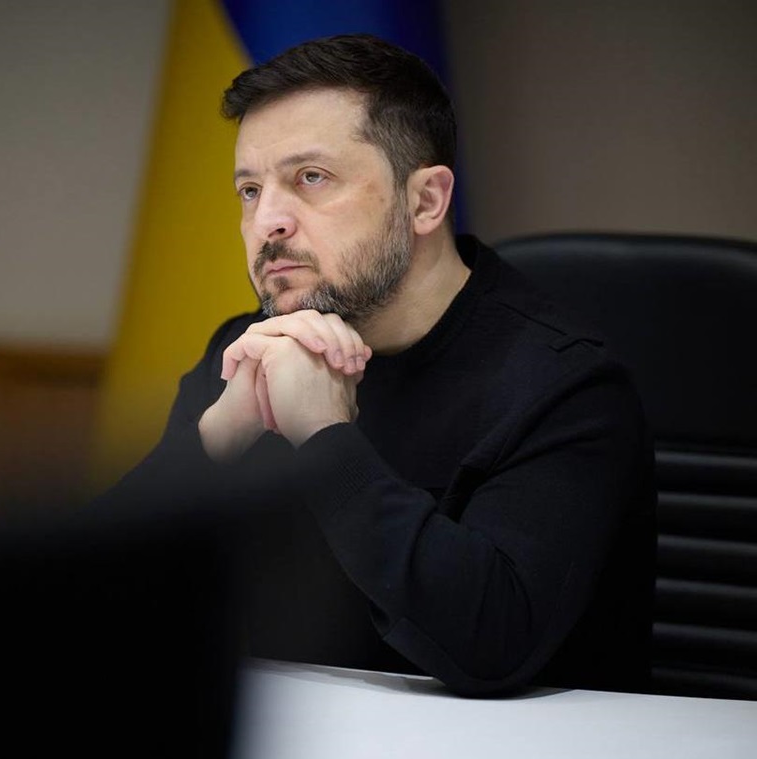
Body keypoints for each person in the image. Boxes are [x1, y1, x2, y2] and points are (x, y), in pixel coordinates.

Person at [95, 33, 655, 697]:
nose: (267, 221)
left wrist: (325, 438)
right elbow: (96, 591)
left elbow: (494, 645)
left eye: (310, 178)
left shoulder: (564, 386)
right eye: (249, 189)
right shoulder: (246, 351)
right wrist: (219, 436)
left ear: (425, 201)